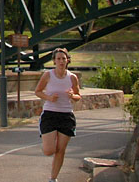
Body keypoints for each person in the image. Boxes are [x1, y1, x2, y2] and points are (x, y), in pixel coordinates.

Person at [34, 47, 81, 182]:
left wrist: (73, 95)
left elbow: (78, 96)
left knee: (61, 150)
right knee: (49, 150)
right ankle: (46, 141)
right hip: (50, 114)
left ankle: (53, 179)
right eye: (58, 59)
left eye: (63, 59)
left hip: (66, 116)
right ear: (54, 61)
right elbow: (38, 91)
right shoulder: (48, 75)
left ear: (67, 61)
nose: (61, 61)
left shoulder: (72, 77)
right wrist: (49, 98)